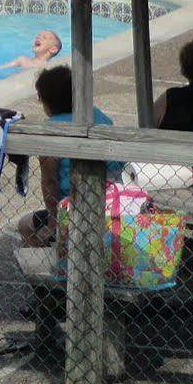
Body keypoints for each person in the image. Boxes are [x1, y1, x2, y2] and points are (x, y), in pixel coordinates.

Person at [15, 64, 118, 247]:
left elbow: (50, 182)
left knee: (25, 226)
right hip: (113, 201)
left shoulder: (50, 131)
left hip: (72, 206)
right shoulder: (96, 115)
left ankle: (54, 263)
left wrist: (53, 222)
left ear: (45, 101)